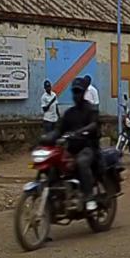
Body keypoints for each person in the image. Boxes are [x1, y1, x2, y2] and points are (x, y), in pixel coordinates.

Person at [58, 78, 101, 211]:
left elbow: (94, 124)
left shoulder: (91, 109)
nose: (76, 94)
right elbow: (58, 130)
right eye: (74, 91)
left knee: (81, 162)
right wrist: (45, 138)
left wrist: (81, 131)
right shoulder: (69, 113)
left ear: (83, 93)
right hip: (72, 149)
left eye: (79, 91)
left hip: (88, 148)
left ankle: (89, 197)